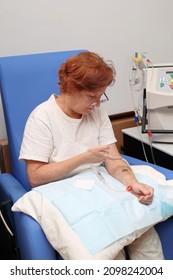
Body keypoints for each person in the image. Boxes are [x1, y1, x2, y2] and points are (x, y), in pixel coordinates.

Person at [19, 51, 163, 260]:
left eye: (100, 97)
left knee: (144, 230)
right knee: (106, 252)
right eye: (91, 97)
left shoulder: (96, 113)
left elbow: (113, 161)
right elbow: (35, 176)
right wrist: (83, 158)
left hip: (99, 185)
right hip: (64, 193)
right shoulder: (42, 117)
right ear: (69, 88)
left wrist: (132, 184)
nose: (96, 104)